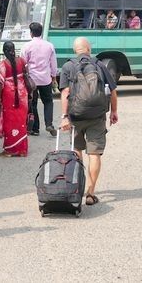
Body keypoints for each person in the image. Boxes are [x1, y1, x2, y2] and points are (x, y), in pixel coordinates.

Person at [59, 37, 118, 207]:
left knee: (77, 150)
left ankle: (78, 186)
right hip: (97, 116)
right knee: (94, 154)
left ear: (75, 49)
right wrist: (114, 111)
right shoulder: (99, 65)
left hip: (76, 117)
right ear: (88, 49)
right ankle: (91, 192)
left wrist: (64, 117)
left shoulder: (68, 66)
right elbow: (113, 91)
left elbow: (65, 93)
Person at [21, 22, 58, 136]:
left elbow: (23, 64)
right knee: (48, 102)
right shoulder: (49, 45)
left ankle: (35, 128)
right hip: (45, 78)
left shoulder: (26, 46)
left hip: (32, 80)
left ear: (31, 33)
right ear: (41, 32)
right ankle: (49, 124)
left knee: (33, 103)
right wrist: (54, 77)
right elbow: (53, 63)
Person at [0, 41, 29, 156]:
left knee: (10, 122)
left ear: (4, 51)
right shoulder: (22, 61)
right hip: (22, 94)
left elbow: (0, 84)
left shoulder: (2, 65)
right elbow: (26, 74)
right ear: (14, 49)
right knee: (21, 121)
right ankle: (22, 150)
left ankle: (9, 150)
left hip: (9, 95)